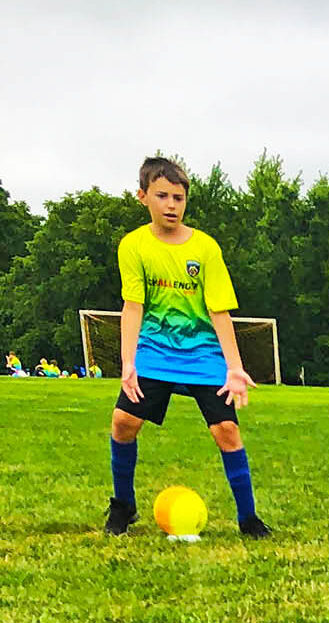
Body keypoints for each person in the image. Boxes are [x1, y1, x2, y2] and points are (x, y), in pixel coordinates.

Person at [105, 157, 270, 539]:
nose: (171, 205)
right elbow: (133, 306)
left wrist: (233, 367)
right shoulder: (133, 246)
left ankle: (249, 519)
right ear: (142, 196)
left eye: (178, 197)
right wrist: (129, 362)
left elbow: (219, 310)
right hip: (154, 351)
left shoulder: (206, 248)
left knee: (226, 430)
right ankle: (123, 506)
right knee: (123, 422)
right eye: (162, 195)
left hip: (204, 355)